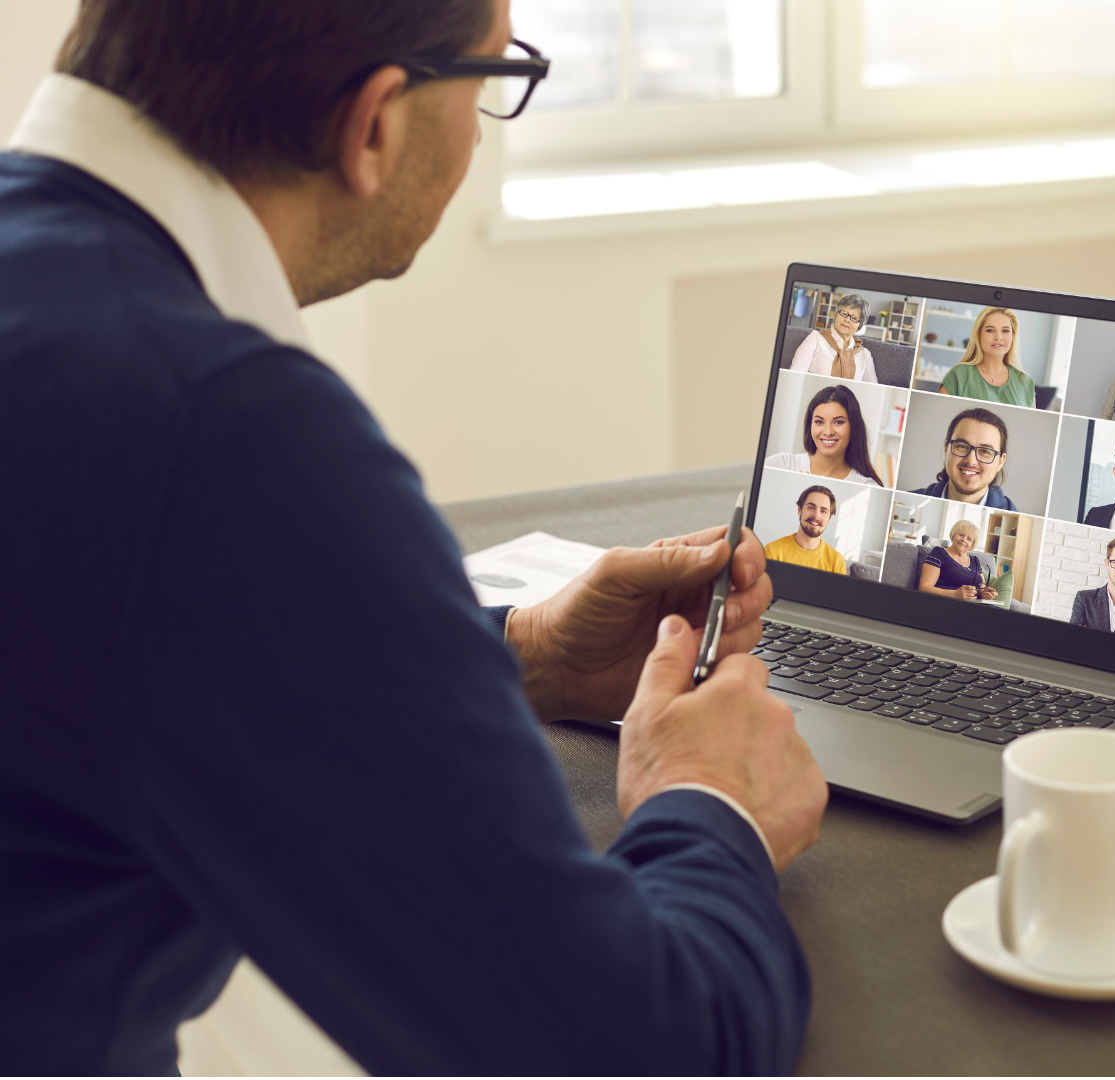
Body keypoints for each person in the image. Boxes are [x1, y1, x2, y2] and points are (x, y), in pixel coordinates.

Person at [0, 1, 826, 1074]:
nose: (484, 130)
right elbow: (628, 1048)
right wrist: (712, 802)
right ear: (376, 123)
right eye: (493, 81)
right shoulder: (220, 431)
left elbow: (126, 646)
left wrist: (524, 654)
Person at [763, 384, 882, 485]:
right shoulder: (780, 465)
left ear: (854, 427)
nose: (828, 432)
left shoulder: (866, 485)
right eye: (819, 422)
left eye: (838, 422)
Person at [909, 407, 1018, 510]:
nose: (971, 461)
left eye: (985, 451)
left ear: (1000, 462)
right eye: (962, 446)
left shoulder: (1014, 520)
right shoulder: (909, 502)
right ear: (946, 449)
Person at [936, 306, 1036, 408]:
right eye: (990, 330)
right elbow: (940, 419)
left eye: (1005, 331)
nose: (998, 337)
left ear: (1013, 336)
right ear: (978, 335)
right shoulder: (958, 376)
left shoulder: (1025, 382)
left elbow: (1031, 424)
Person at [788, 294, 878, 382]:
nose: (847, 319)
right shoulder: (815, 339)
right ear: (836, 315)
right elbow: (793, 378)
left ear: (859, 325)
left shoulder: (865, 355)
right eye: (844, 313)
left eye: (854, 318)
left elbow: (873, 391)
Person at [763, 486, 847, 574]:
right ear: (799, 510)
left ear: (829, 518)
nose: (816, 515)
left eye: (823, 511)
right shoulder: (773, 551)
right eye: (811, 507)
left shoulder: (837, 562)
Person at [917, 519, 998, 601]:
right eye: (961, 535)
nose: (964, 540)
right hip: (948, 603)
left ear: (972, 545)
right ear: (953, 535)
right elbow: (924, 587)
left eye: (969, 539)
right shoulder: (939, 553)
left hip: (974, 606)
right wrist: (955, 594)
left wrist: (986, 594)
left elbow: (981, 591)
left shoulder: (975, 561)